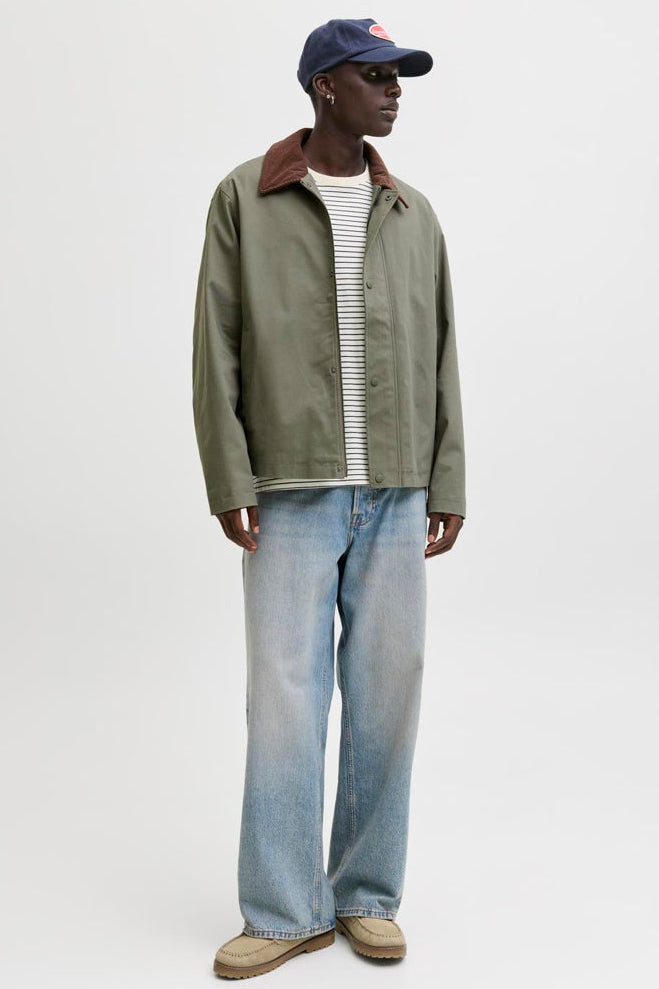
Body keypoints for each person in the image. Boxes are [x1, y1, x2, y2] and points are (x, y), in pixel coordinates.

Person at [192, 17, 466, 980]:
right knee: (284, 702)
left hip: (395, 491)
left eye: (399, 76)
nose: (394, 91)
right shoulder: (247, 195)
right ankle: (282, 909)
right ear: (324, 87)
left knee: (388, 693)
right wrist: (229, 476)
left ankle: (364, 895)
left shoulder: (412, 213)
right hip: (289, 489)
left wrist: (446, 476)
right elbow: (214, 342)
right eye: (375, 75)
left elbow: (443, 351)